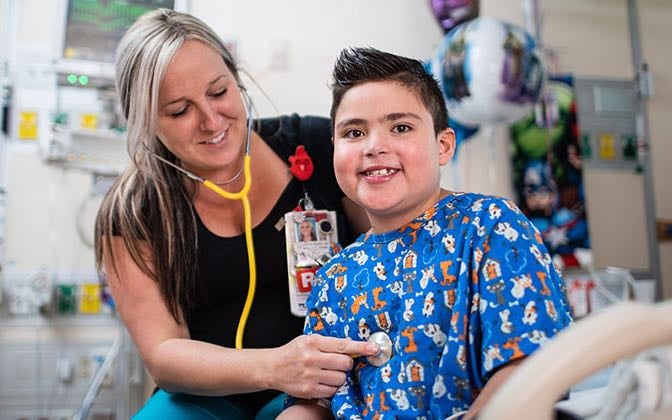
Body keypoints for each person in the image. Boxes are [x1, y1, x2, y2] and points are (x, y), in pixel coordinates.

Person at [94, 10, 378, 420]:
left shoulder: (317, 147)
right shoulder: (133, 213)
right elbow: (163, 353)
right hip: (205, 396)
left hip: (322, 385)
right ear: (144, 122)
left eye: (218, 91)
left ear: (236, 76)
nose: (211, 120)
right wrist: (277, 367)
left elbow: (389, 251)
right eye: (178, 110)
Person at [278, 47, 573, 419]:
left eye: (400, 127)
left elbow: (534, 364)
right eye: (354, 132)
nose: (375, 147)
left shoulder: (489, 227)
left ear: (443, 145)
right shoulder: (333, 278)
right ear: (335, 150)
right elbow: (312, 402)